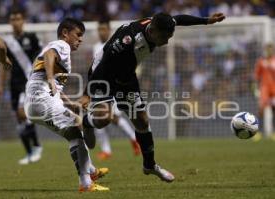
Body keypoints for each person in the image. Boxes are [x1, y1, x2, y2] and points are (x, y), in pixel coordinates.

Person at [81, 12, 225, 183]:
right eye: (165, 37)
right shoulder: (127, 41)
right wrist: (86, 94)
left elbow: (178, 19)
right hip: (104, 73)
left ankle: (150, 165)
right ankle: (87, 122)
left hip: (126, 75)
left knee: (142, 120)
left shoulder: (160, 23)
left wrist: (207, 21)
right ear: (154, 31)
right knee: (104, 118)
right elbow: (103, 64)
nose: (167, 41)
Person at [24, 17, 109, 192]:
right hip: (42, 100)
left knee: (74, 129)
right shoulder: (61, 45)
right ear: (65, 33)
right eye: (78, 35)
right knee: (77, 130)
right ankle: (86, 182)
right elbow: (50, 56)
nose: (81, 39)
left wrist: (70, 103)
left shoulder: (58, 51)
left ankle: (91, 171)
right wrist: (49, 78)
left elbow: (56, 86)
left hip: (34, 105)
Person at [0, 9, 43, 165]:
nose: (15, 21)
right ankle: (30, 153)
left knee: (22, 113)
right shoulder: (7, 42)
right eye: (12, 19)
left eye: (18, 18)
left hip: (28, 82)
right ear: (10, 22)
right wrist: (1, 85)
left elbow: (41, 59)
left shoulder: (32, 38)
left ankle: (37, 146)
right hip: (14, 84)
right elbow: (4, 65)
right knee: (19, 120)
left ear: (23, 21)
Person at [93, 19, 140, 160]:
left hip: (112, 86)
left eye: (104, 29)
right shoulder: (95, 47)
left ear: (108, 30)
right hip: (99, 86)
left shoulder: (116, 44)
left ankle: (133, 139)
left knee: (113, 117)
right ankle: (107, 149)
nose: (102, 32)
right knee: (98, 116)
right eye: (99, 29)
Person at [255, 44, 275, 139]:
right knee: (261, 110)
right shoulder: (261, 61)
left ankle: (273, 132)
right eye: (267, 49)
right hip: (264, 88)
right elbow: (257, 76)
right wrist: (255, 88)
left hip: (274, 89)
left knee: (274, 109)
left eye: (271, 49)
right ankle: (258, 132)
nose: (269, 51)